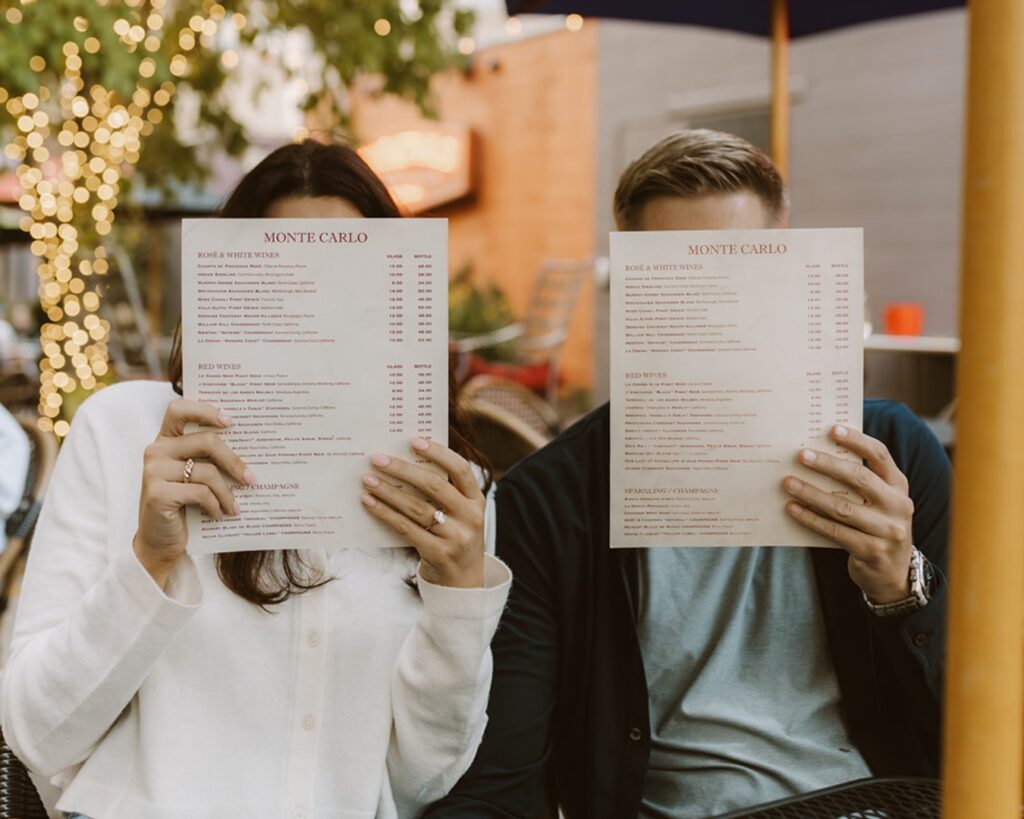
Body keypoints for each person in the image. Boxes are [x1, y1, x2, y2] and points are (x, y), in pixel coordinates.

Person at [428, 130, 950, 818]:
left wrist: (901, 588)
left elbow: (989, 720)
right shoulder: (549, 504)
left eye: (744, 272)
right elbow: (502, 775)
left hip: (874, 803)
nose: (716, 308)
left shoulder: (893, 455)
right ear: (634, 290)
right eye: (680, 278)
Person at [3, 140, 511, 819]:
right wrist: (151, 560)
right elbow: (36, 732)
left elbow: (420, 778)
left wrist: (457, 598)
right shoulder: (123, 434)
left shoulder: (446, 488)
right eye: (285, 278)